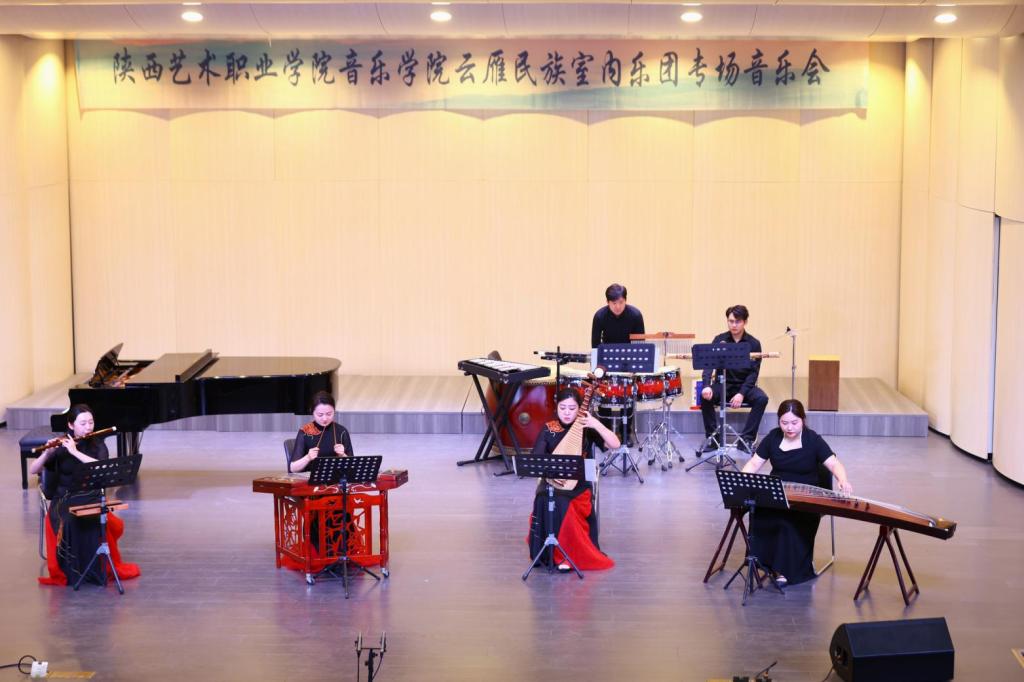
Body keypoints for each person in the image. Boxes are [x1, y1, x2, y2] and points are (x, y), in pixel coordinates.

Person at [741, 399, 852, 586]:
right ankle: (766, 564)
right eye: (784, 423)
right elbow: (753, 463)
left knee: (787, 523)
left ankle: (786, 570)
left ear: (803, 420)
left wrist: (843, 479)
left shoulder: (813, 440)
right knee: (759, 515)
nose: (789, 427)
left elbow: (833, 464)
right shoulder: (773, 437)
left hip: (805, 500)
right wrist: (743, 480)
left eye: (794, 422)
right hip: (777, 495)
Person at [29, 404, 140, 587]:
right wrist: (47, 453)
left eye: (91, 422)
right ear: (71, 425)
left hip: (89, 495)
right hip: (63, 499)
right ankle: (73, 570)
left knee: (94, 518)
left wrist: (75, 452)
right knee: (70, 520)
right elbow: (34, 470)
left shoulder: (97, 444)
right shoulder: (61, 444)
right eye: (83, 423)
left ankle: (96, 568)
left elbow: (101, 467)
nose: (88, 427)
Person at [528, 388, 620, 572]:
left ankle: (566, 555)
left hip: (579, 484)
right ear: (556, 408)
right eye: (562, 408)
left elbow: (615, 444)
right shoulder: (549, 428)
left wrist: (595, 424)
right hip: (551, 480)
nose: (567, 413)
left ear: (579, 409)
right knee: (543, 497)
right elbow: (537, 458)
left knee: (564, 503)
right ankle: (545, 552)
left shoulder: (586, 428)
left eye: (572, 408)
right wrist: (551, 473)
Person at [700, 304, 770, 453]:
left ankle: (746, 439)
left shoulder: (754, 343)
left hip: (744, 386)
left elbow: (753, 373)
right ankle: (713, 439)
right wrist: (706, 385)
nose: (733, 325)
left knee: (762, 399)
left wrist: (742, 393)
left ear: (745, 322)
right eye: (730, 321)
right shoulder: (720, 340)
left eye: (737, 321)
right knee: (705, 396)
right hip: (722, 384)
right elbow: (708, 365)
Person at [289, 391, 354, 473]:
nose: (325, 419)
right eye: (320, 415)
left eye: (329, 414)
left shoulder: (342, 431)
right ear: (312, 412)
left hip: (336, 478)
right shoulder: (305, 431)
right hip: (311, 478)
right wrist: (308, 458)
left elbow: (352, 466)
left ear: (334, 411)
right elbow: (292, 468)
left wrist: (343, 455)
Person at [591, 283, 645, 347]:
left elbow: (640, 344)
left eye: (621, 302)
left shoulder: (636, 315)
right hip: (607, 351)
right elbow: (595, 345)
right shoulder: (599, 316)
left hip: (630, 351)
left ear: (625, 300)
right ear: (607, 302)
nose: (618, 307)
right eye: (614, 303)